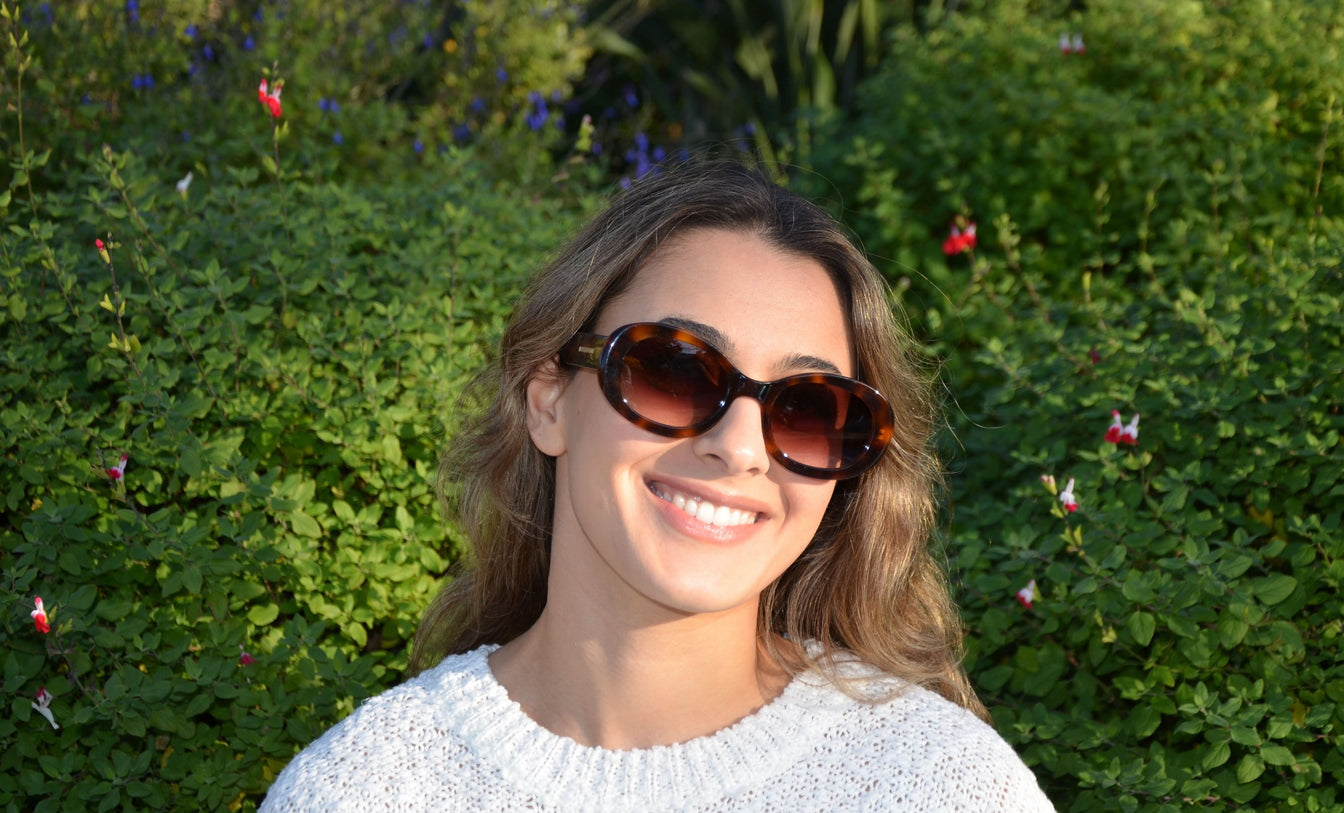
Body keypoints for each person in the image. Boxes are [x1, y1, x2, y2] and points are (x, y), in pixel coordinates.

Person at [260, 161, 1055, 811]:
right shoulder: (362, 789)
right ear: (548, 400)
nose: (740, 447)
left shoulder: (936, 786)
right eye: (675, 371)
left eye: (809, 408)